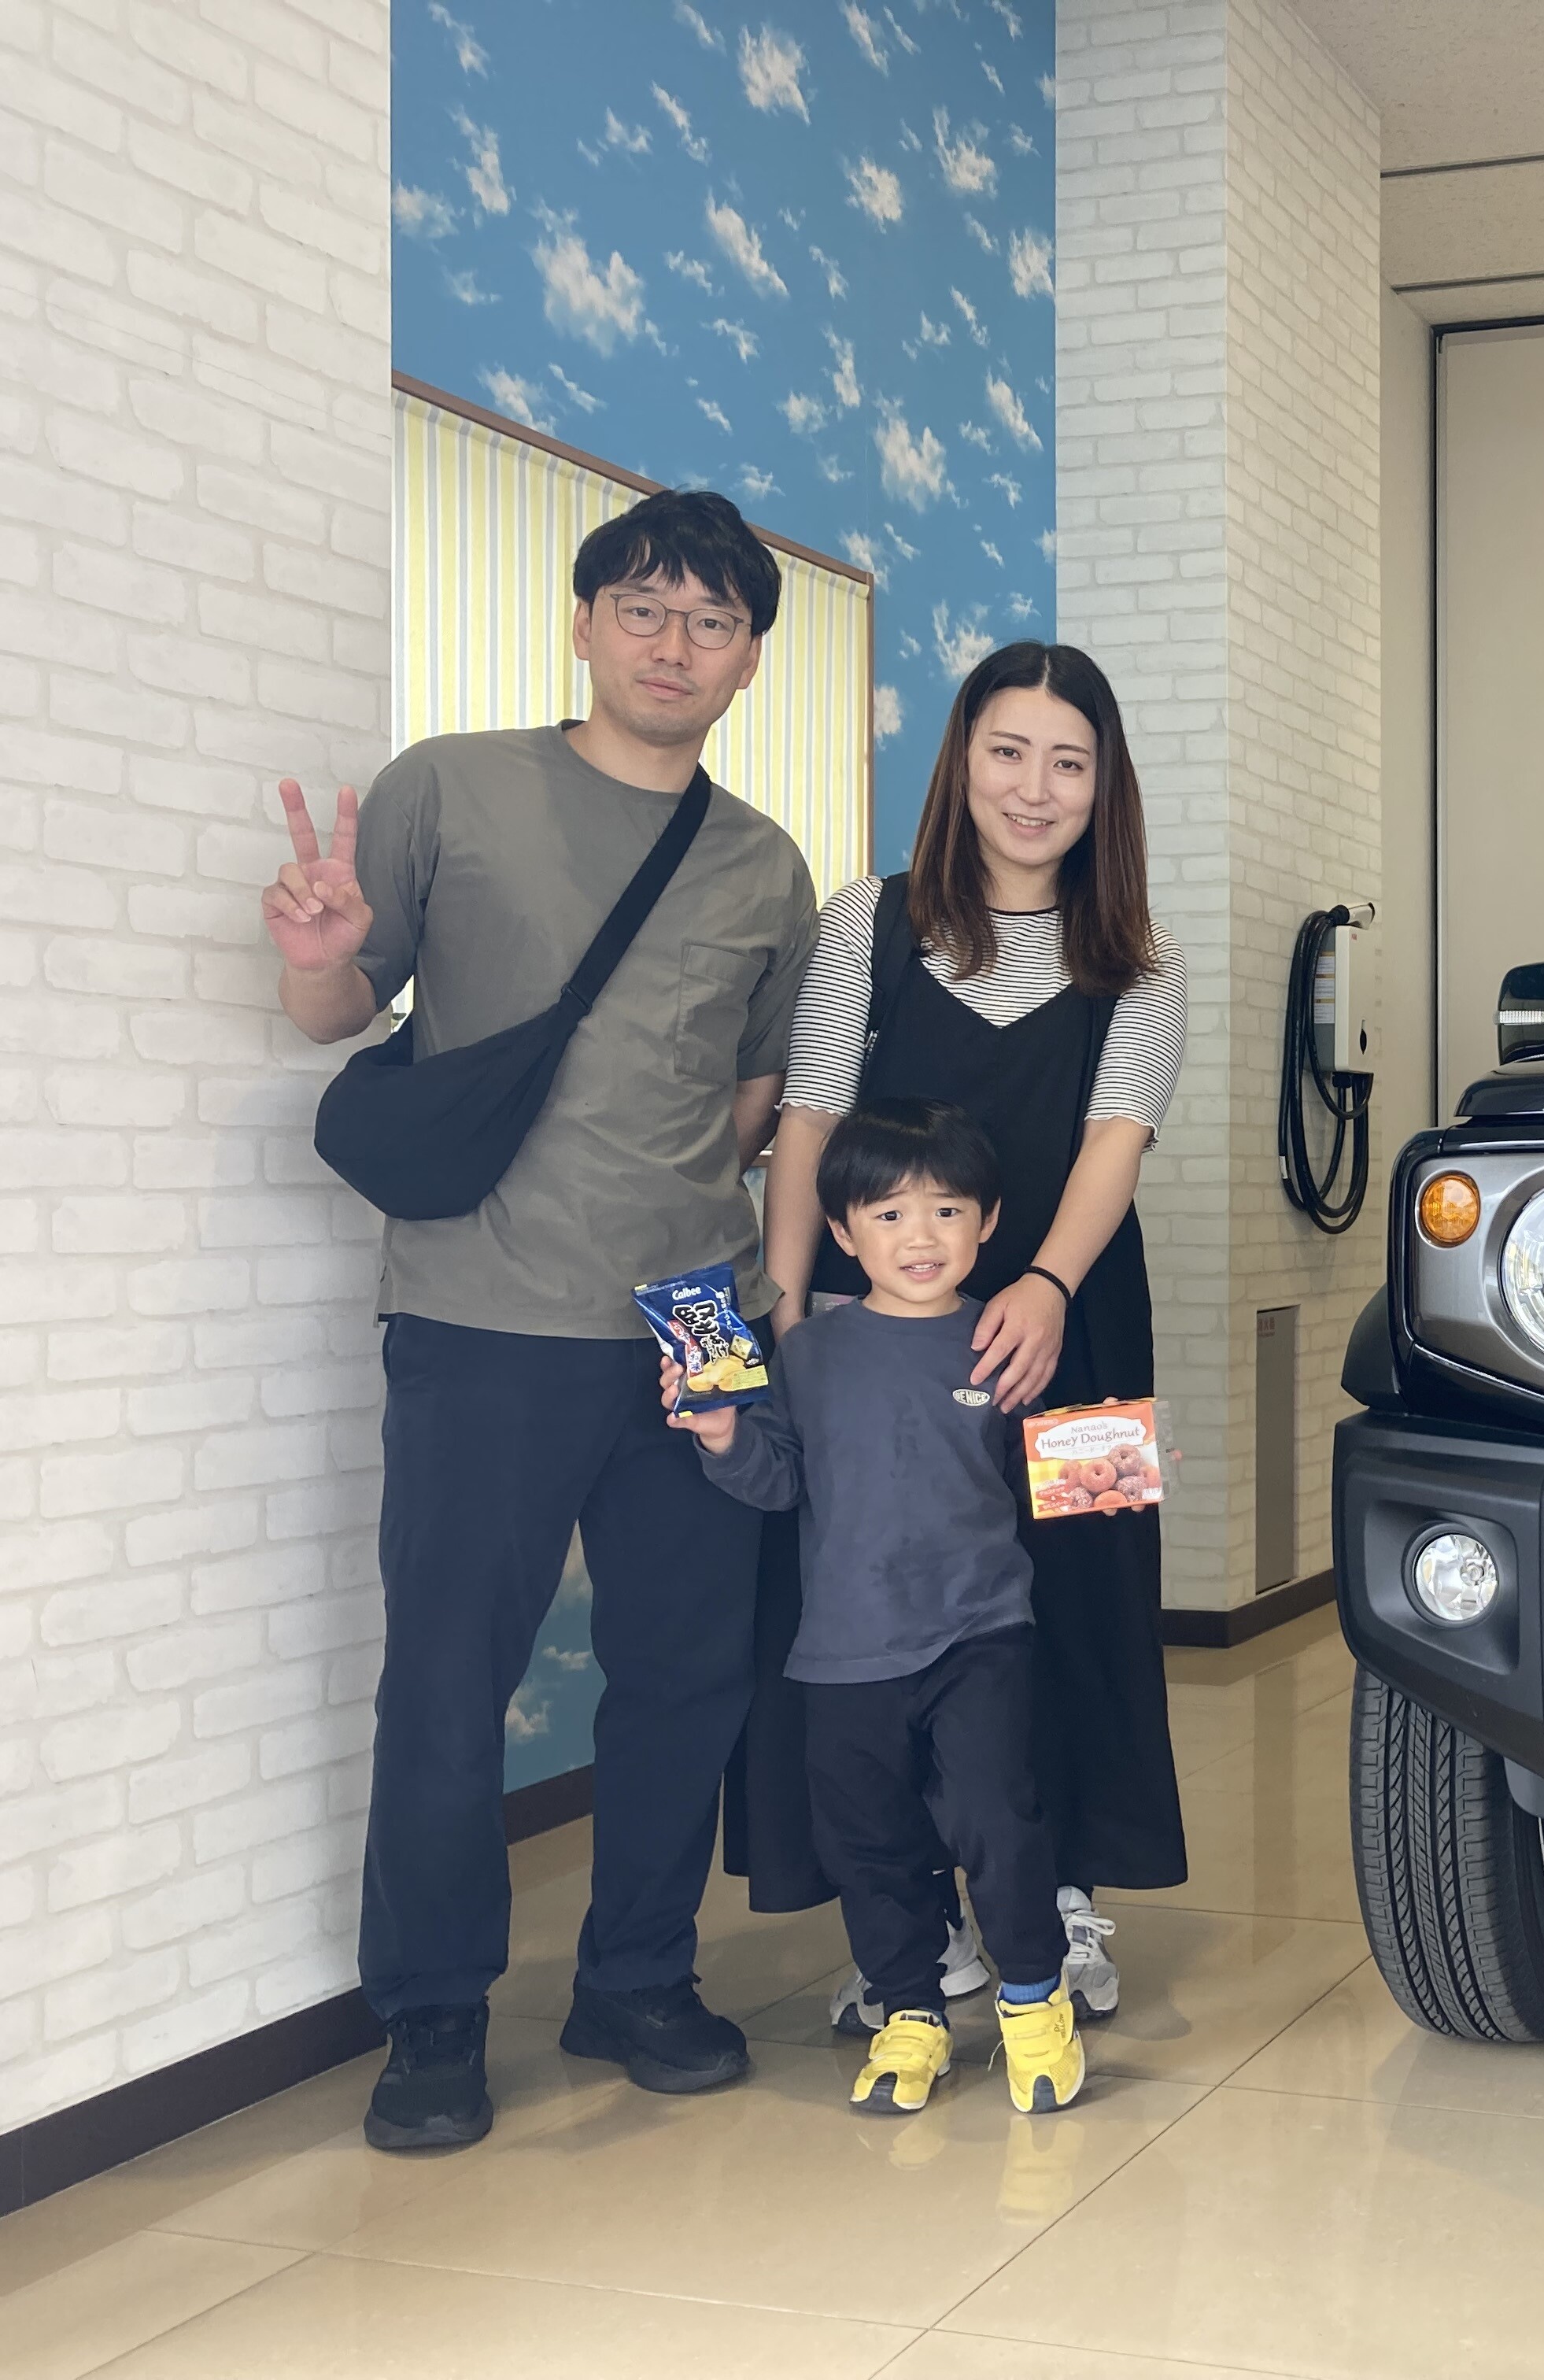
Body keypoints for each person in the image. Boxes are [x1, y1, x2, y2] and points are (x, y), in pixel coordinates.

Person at [260, 489, 818, 2151]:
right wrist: (320, 962)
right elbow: (340, 1010)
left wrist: (688, 1234)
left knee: (690, 1672)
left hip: (700, 1314)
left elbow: (754, 1101)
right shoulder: (450, 787)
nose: (673, 644)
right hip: (480, 1308)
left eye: (712, 621)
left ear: (749, 660)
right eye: (642, 607)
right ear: (582, 624)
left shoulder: (765, 862)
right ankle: (433, 2014)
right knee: (449, 1678)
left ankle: (637, 1975)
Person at [733, 642, 1184, 2025]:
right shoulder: (868, 920)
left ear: (1104, 785)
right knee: (874, 1598)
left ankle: (1064, 1896)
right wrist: (789, 1299)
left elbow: (1116, 1145)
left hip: (1081, 1320)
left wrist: (1042, 1285)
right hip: (879, 1331)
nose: (1034, 788)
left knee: (1087, 1596)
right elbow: (810, 1119)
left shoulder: (1142, 960)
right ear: (963, 760)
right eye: (1008, 752)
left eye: (1069, 761)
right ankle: (916, 1926)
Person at [674, 1100, 1086, 2116]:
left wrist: (1116, 1464)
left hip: (981, 1631)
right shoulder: (808, 1351)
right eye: (890, 1215)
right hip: (844, 1653)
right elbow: (782, 1481)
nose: (920, 1237)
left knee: (997, 1819)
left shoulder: (1002, 1341)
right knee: (870, 1844)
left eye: (947, 1211)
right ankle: (910, 2011)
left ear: (988, 1222)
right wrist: (723, 1438)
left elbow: (1050, 1476)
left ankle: (1034, 1999)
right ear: (843, 1231)